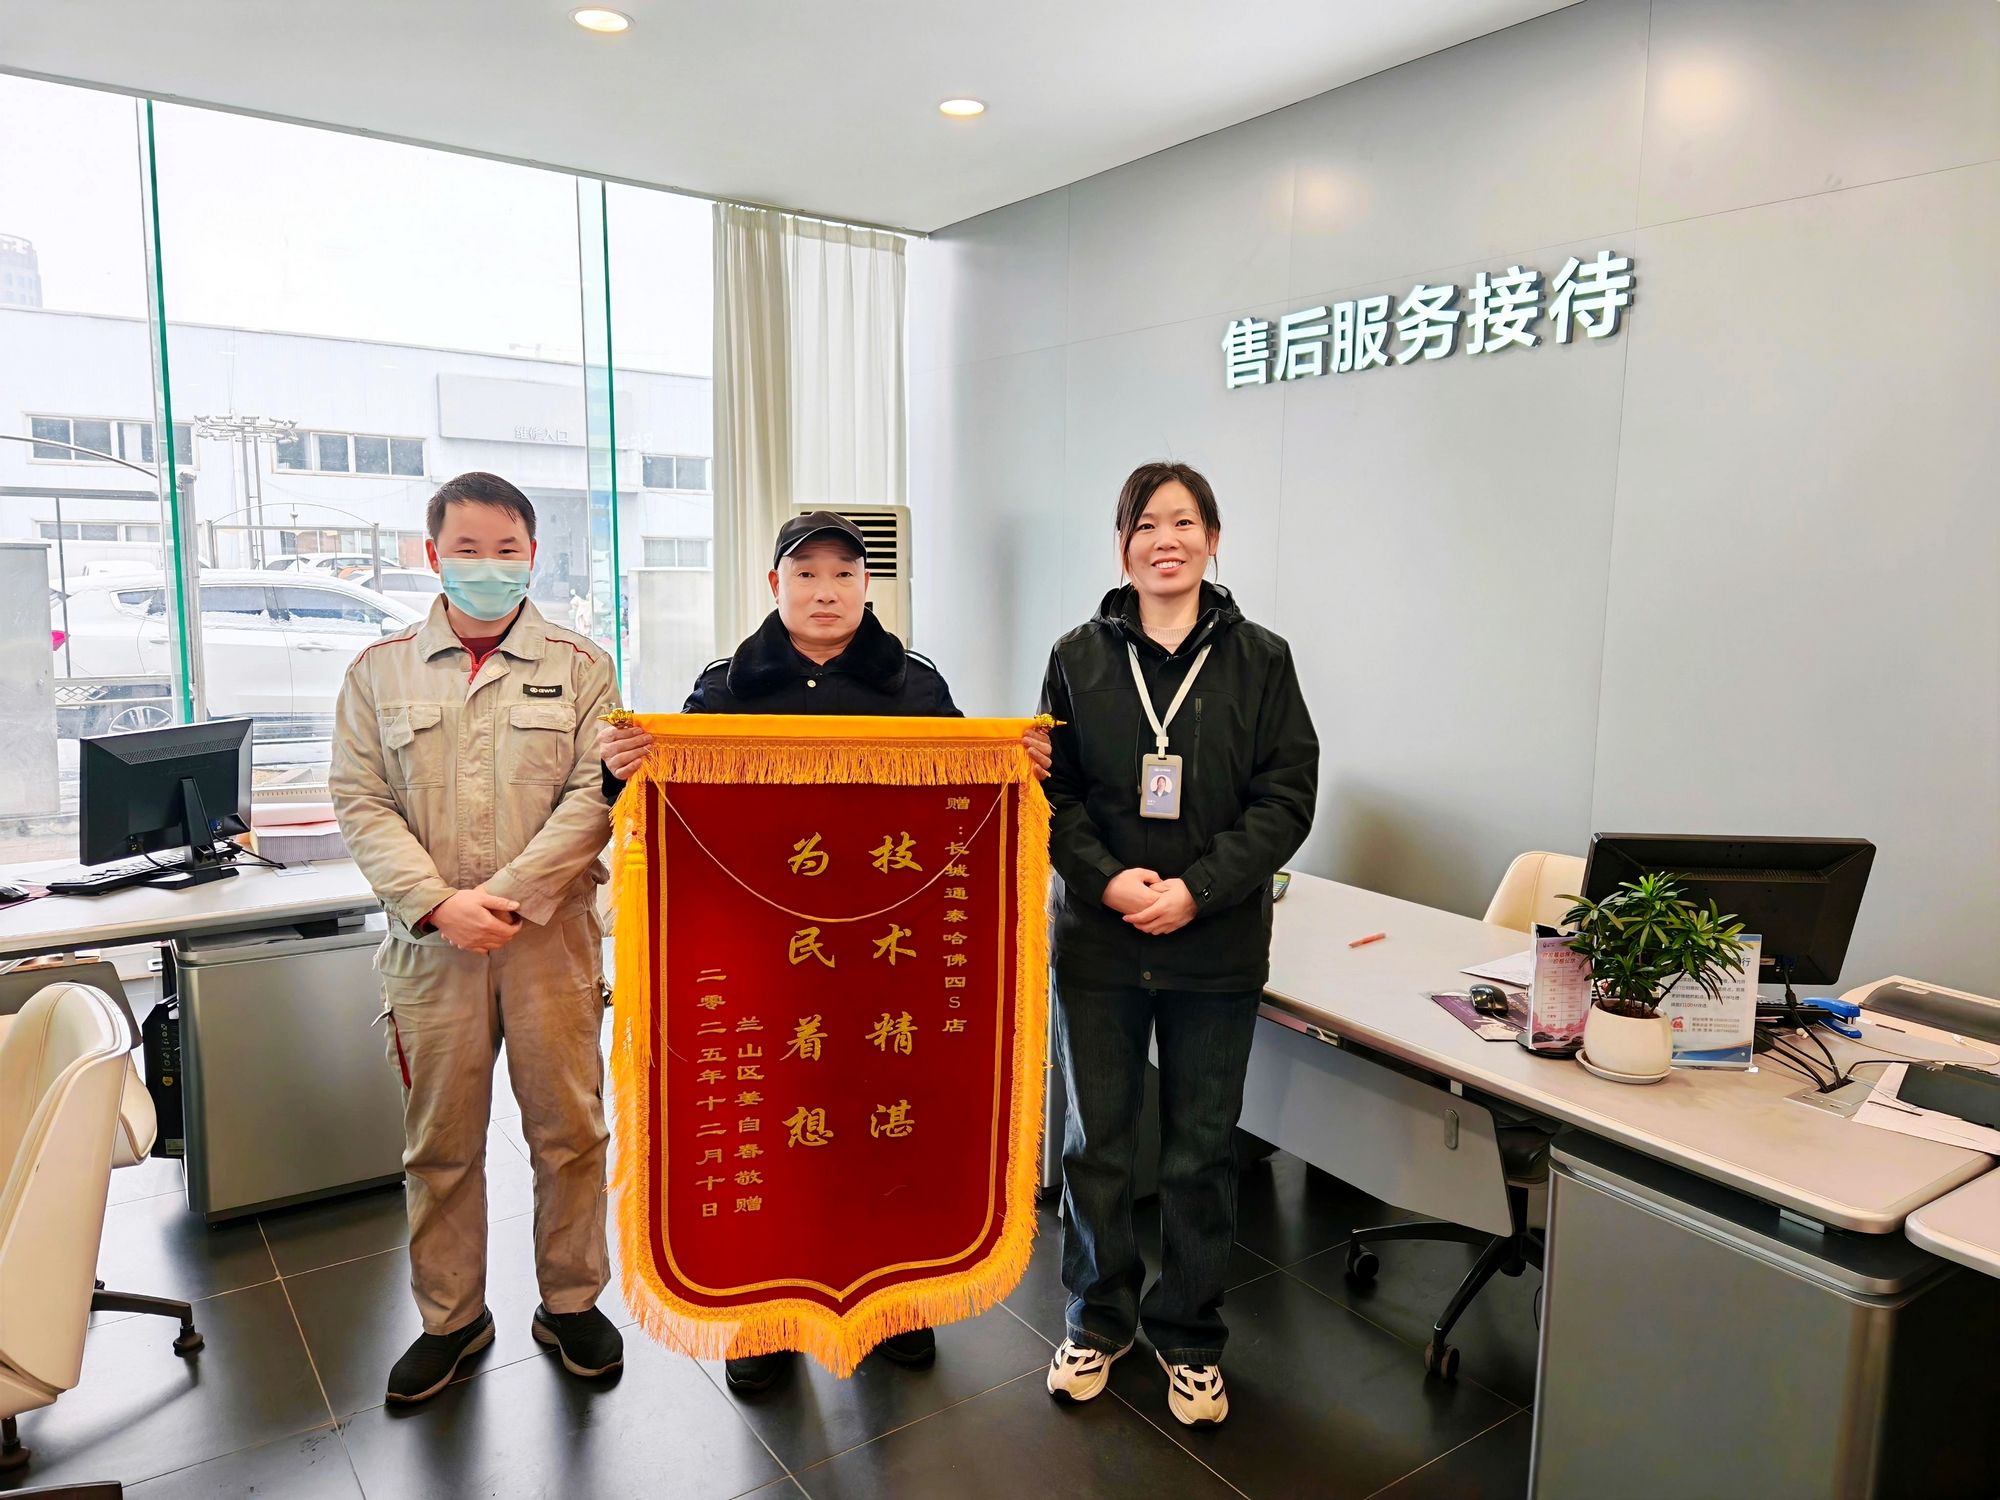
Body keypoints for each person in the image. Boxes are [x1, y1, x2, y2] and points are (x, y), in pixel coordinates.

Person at [598, 509, 1050, 1395]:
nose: (825, 592)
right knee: (779, 1135)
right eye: (806, 575)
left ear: (867, 586)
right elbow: (669, 811)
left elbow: (973, 798)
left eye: (844, 574)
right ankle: (763, 1319)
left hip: (890, 963)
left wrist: (1020, 762)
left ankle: (897, 1306)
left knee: (882, 1128)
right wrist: (624, 763)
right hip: (771, 963)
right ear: (775, 585)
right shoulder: (724, 689)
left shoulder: (916, 685)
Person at [330, 472, 624, 1405]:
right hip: (431, 951)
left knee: (569, 1132)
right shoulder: (377, 671)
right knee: (440, 1144)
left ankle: (571, 1301)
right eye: (467, 549)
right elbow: (359, 800)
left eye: (507, 550)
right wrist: (437, 903)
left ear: (532, 555)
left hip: (551, 945)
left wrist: (504, 897)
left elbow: (596, 798)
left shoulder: (582, 666)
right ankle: (451, 1318)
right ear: (433, 555)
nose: (488, 565)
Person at [1037, 462, 1317, 1427]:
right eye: (1147, 523)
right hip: (1101, 942)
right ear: (1123, 546)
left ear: (1213, 540)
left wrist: (1199, 889)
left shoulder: (1262, 660)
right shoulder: (1076, 656)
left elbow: (1286, 796)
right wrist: (1109, 881)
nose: (1168, 539)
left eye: (1186, 522)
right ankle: (1096, 1318)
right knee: (1098, 1146)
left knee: (1201, 1152)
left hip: (1216, 943)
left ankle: (1190, 1336)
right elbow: (1052, 791)